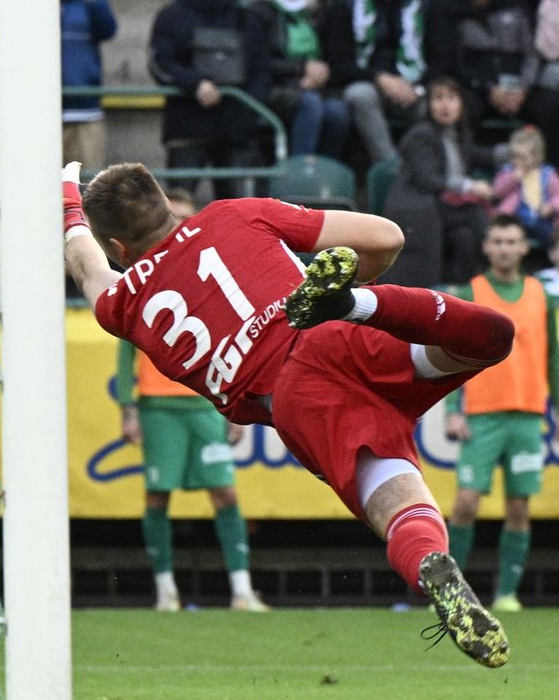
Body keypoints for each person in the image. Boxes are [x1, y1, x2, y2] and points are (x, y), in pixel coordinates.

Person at [61, 160, 512, 667]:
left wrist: (69, 205)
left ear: (119, 249)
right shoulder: (231, 213)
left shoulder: (122, 300)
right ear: (166, 202)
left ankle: (432, 563)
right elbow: (386, 236)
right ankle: (354, 304)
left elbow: (84, 266)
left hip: (296, 398)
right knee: (492, 337)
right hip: (338, 337)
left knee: (395, 500)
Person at [117, 189, 268, 613]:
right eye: (172, 218)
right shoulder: (141, 278)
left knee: (225, 493)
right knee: (157, 496)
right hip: (159, 407)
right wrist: (128, 408)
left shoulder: (210, 274)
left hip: (206, 404)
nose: (178, 226)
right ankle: (165, 592)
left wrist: (239, 403)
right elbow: (125, 346)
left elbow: (237, 336)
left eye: (183, 218)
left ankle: (241, 591)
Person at [442, 215, 556, 613]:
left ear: (525, 247)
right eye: (498, 241)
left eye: (512, 241)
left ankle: (507, 593)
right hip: (483, 415)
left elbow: (552, 356)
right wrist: (453, 409)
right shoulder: (470, 292)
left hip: (527, 414)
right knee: (466, 503)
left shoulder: (542, 295)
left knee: (520, 507)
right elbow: (451, 356)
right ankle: (451, 594)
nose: (505, 248)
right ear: (486, 247)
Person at [148, 0, 271, 200]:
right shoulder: (170, 16)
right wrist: (196, 84)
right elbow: (160, 63)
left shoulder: (246, 17)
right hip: (186, 128)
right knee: (177, 206)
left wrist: (247, 112)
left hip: (236, 129)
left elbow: (261, 68)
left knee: (238, 212)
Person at [425, 0, 559, 162]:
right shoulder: (449, 12)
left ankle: (551, 174)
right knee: (459, 107)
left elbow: (531, 53)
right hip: (478, 90)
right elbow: (453, 62)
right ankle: (462, 171)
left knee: (552, 105)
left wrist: (523, 87)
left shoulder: (514, 4)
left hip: (519, 88)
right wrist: (488, 88)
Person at [381, 76, 496, 288]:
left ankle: (463, 291)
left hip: (443, 209)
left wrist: (511, 153)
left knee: (464, 237)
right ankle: (497, 270)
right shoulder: (420, 135)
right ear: (428, 105)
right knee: (475, 213)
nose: (445, 105)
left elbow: (479, 155)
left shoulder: (460, 134)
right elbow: (428, 180)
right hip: (421, 208)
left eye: (451, 98)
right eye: (438, 98)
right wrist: (470, 187)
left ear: (461, 103)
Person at [324, 0, 427, 165]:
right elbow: (339, 62)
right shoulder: (345, 7)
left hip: (416, 84)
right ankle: (390, 169)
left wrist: (415, 86)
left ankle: (422, 169)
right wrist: (379, 78)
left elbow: (441, 56)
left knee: (436, 102)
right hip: (369, 82)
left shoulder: (425, 5)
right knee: (359, 95)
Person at [248, 0, 350, 159]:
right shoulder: (259, 11)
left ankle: (325, 173)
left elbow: (333, 53)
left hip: (316, 86)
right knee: (309, 103)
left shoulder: (319, 11)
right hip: (274, 87)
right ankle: (299, 172)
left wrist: (322, 73)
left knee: (338, 112)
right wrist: (300, 69)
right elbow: (257, 59)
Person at [59, 0, 118, 171]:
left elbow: (108, 29)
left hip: (85, 111)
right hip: (41, 112)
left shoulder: (87, 0)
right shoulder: (29, 1)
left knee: (87, 191)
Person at [491, 126, 559, 255]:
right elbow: (497, 191)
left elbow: (558, 196)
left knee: (550, 234)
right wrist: (512, 179)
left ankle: (551, 260)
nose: (517, 161)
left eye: (523, 157)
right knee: (508, 233)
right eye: (514, 156)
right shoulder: (508, 171)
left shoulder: (547, 174)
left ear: (535, 156)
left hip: (541, 218)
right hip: (515, 217)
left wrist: (551, 206)